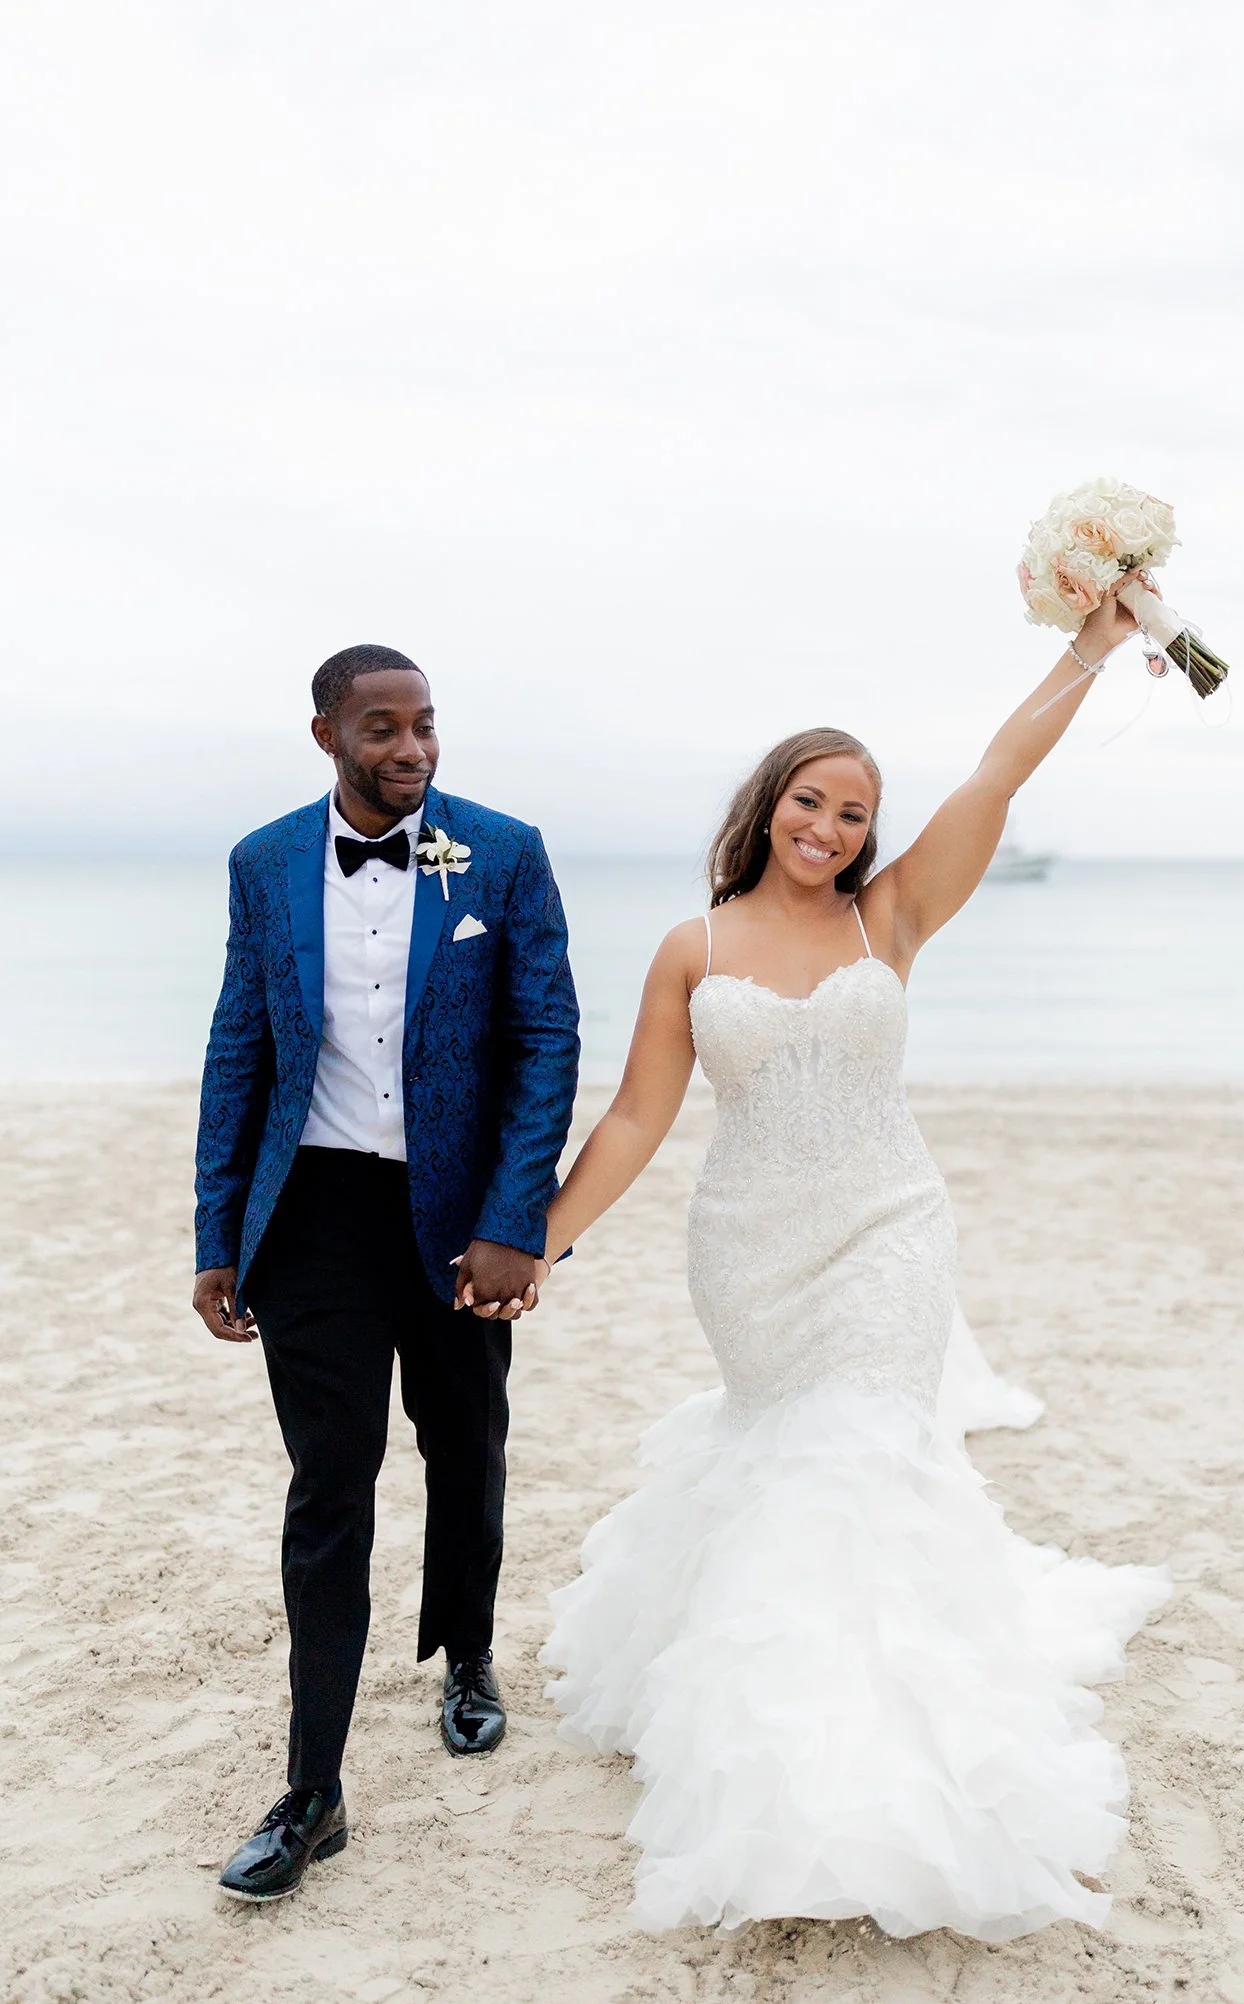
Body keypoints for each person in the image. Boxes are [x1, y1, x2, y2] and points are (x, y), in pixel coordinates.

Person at [522, 593, 1170, 1940]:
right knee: (787, 1464)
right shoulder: (691, 951)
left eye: (857, 814)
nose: (832, 829)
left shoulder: (896, 920)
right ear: (769, 806)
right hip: (752, 1258)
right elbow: (639, 1116)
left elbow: (998, 773)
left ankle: (869, 1773)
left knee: (864, 1460)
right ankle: (767, 1718)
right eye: (813, 802)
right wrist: (545, 1235)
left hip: (890, 1234)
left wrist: (1090, 651)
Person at [192, 644, 579, 1902]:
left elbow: (545, 1037)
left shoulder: (504, 851)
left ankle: (466, 1651)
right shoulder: (262, 862)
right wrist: (215, 1236)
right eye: (380, 729)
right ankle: (313, 1790)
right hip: (310, 1216)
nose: (408, 749)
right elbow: (239, 1046)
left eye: (423, 727)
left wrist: (518, 1219)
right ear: (326, 738)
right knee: (328, 1487)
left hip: (458, 1217)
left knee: (465, 1448)